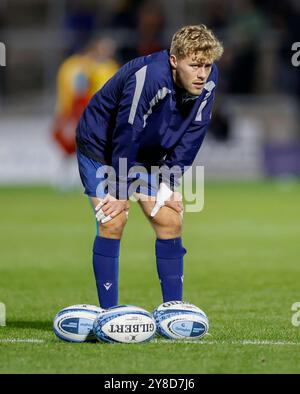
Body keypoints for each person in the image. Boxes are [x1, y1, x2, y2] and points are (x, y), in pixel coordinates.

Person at [76, 25, 224, 309]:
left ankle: (173, 311)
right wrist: (120, 192)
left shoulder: (209, 80)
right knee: (112, 220)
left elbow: (195, 132)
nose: (202, 73)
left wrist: (169, 184)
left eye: (206, 65)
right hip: (102, 145)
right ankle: (109, 313)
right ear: (174, 60)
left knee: (170, 219)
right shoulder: (149, 76)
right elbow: (127, 131)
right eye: (194, 65)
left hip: (145, 152)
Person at [52, 37, 119, 188]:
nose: (106, 52)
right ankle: (68, 179)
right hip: (88, 112)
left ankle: (101, 179)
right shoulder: (85, 67)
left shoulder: (110, 66)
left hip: (106, 113)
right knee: (75, 146)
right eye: (103, 48)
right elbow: (79, 89)